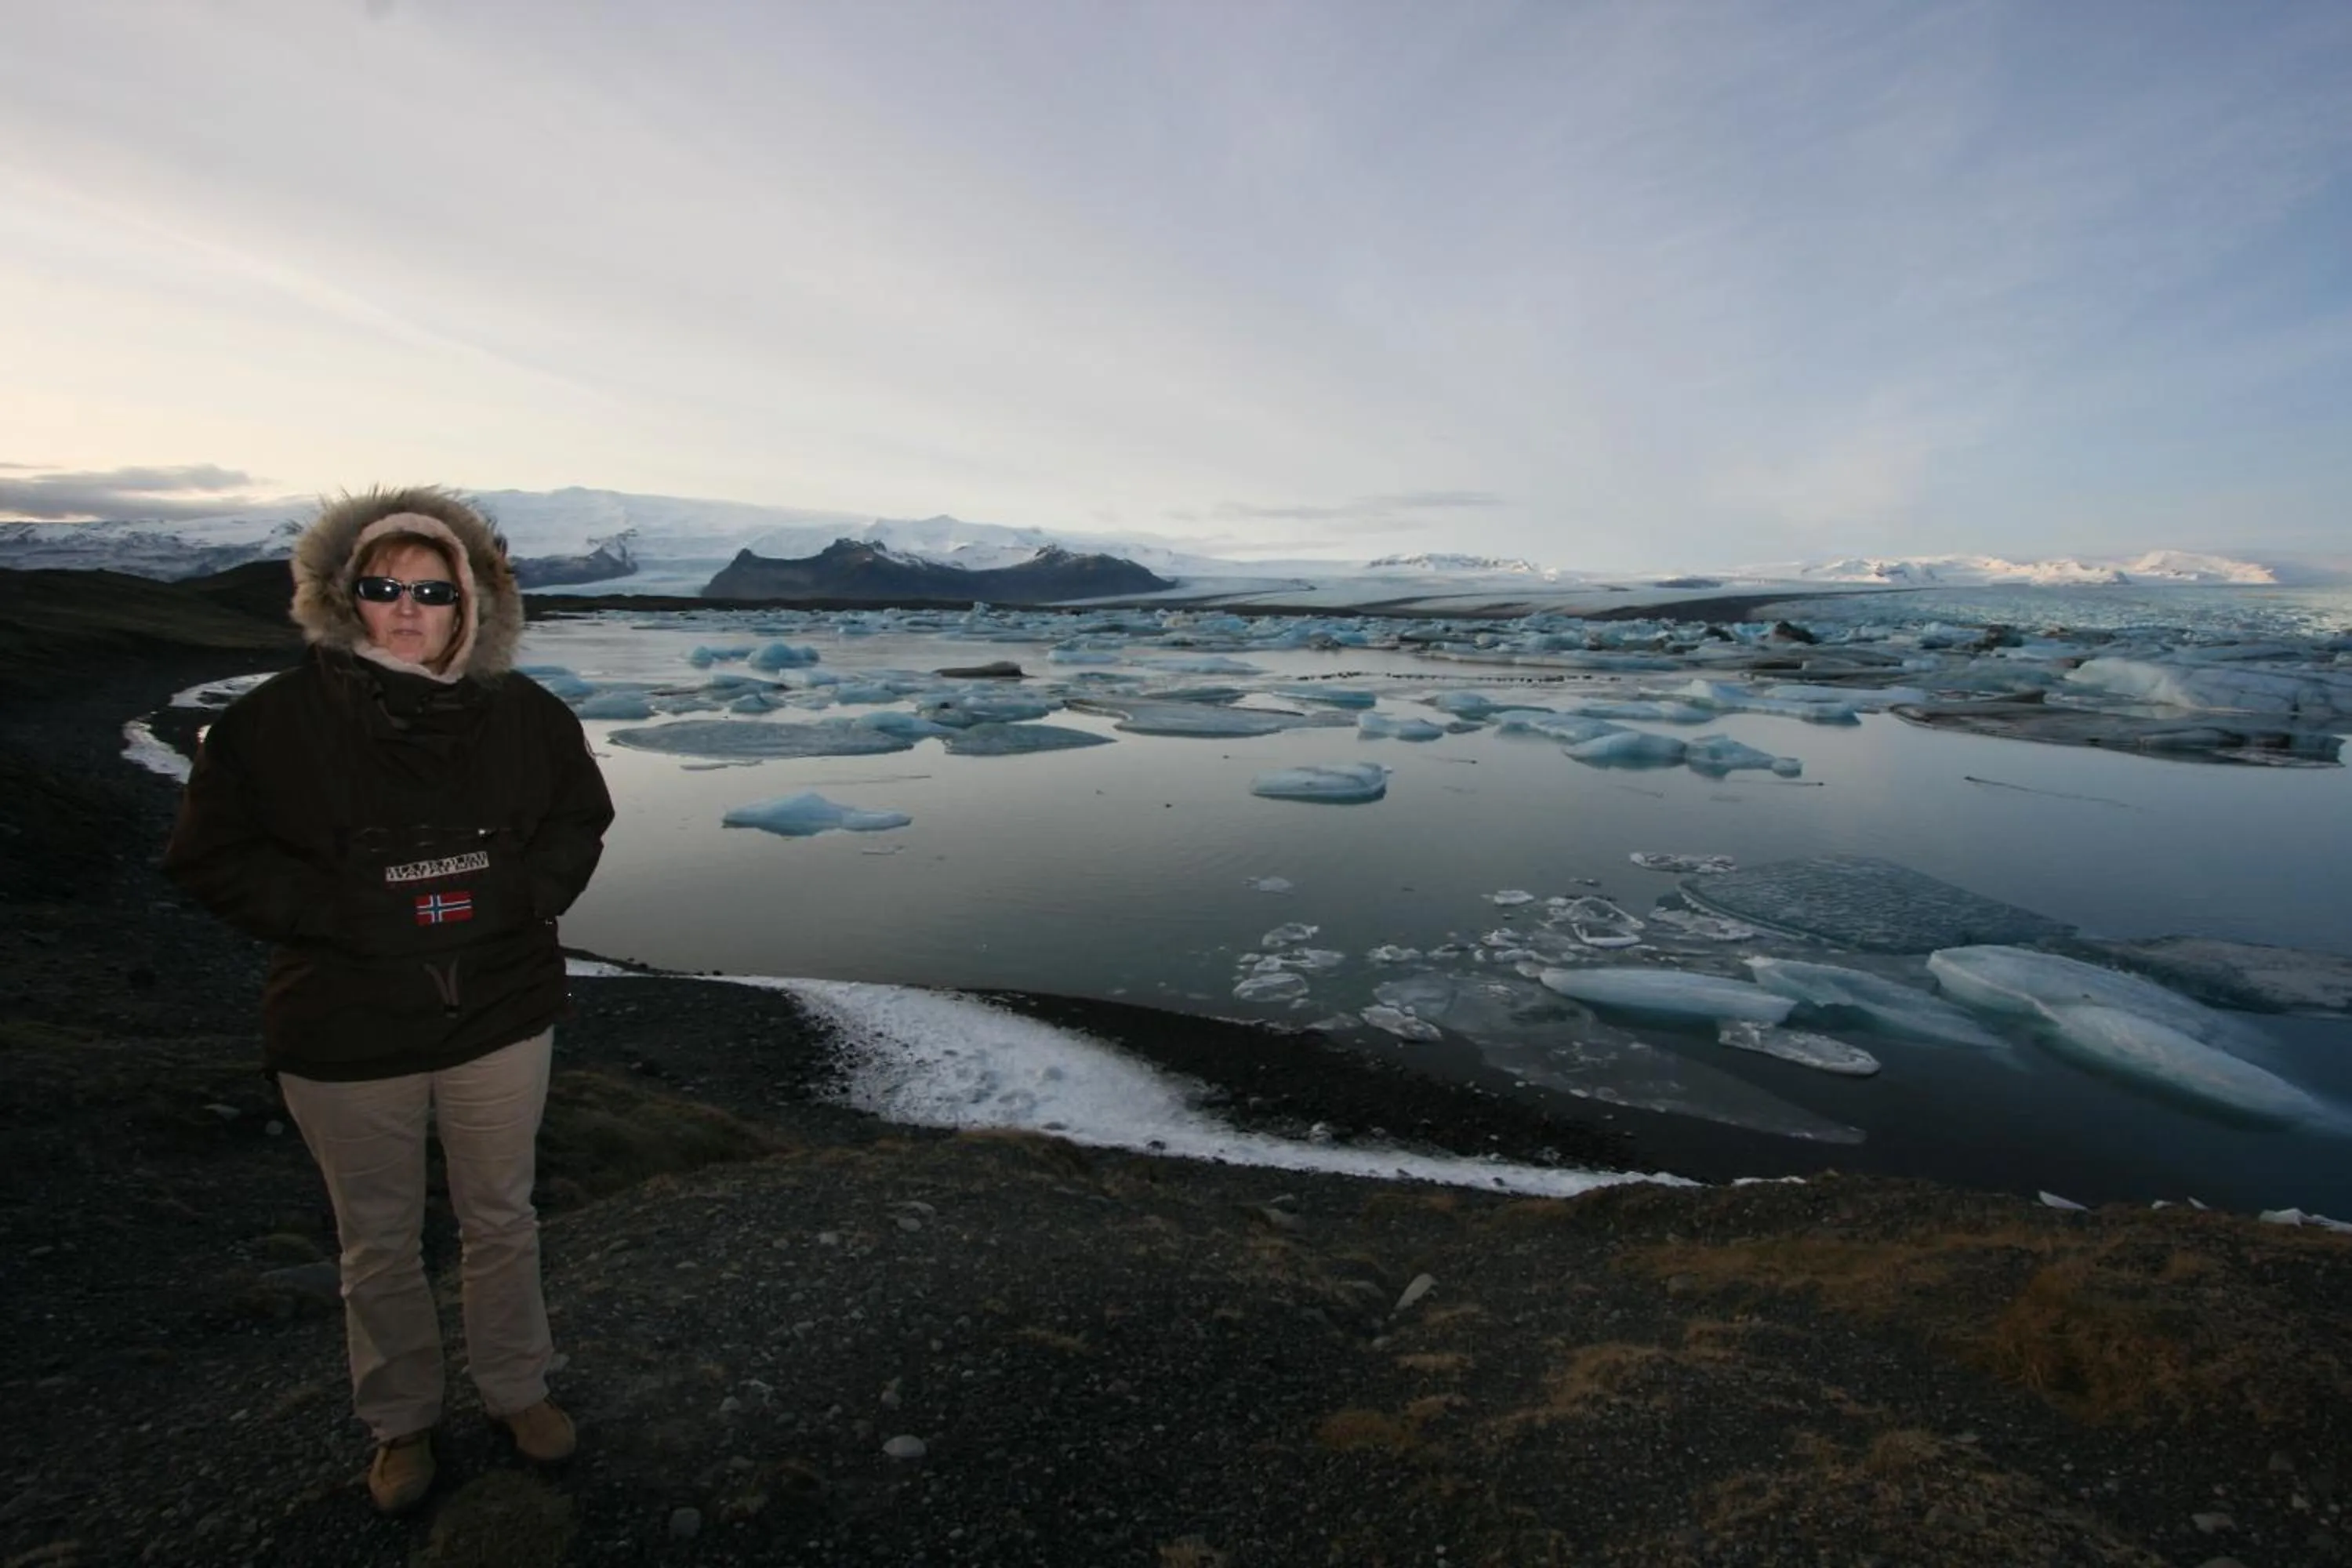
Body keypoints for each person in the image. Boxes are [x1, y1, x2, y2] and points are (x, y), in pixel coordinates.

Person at [163, 486, 615, 1515]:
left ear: (473, 605)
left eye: (432, 589)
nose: (407, 608)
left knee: (501, 1214)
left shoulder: (527, 717)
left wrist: (524, 894)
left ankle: (517, 1390)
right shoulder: (271, 725)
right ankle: (402, 1421)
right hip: (344, 1021)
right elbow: (209, 855)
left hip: (498, 1012)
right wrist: (342, 909)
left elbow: (578, 820)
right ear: (342, 599)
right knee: (376, 1236)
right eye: (382, 588)